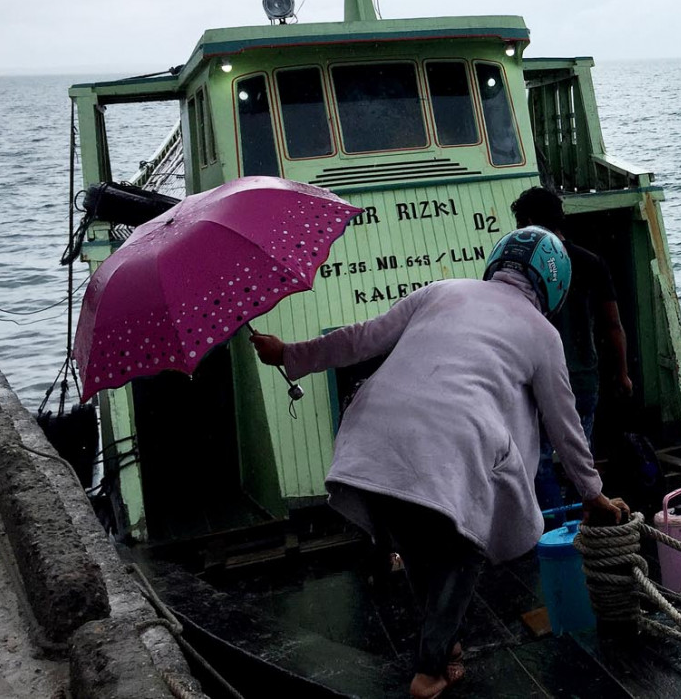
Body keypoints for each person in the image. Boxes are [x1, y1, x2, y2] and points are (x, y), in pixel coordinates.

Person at [250, 226, 629, 699]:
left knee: (415, 533)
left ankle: (444, 649)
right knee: (464, 542)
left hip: (373, 431)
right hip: (454, 443)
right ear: (552, 288)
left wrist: (289, 353)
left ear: (497, 262)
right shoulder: (543, 334)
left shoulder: (441, 290)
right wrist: (592, 493)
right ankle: (429, 672)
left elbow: (362, 338)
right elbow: (564, 423)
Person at [510, 186, 631, 512]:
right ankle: (584, 525)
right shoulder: (590, 262)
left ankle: (552, 533)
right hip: (582, 379)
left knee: (540, 463)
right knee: (580, 456)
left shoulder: (520, 268)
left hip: (534, 381)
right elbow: (612, 325)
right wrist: (622, 374)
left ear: (531, 221)